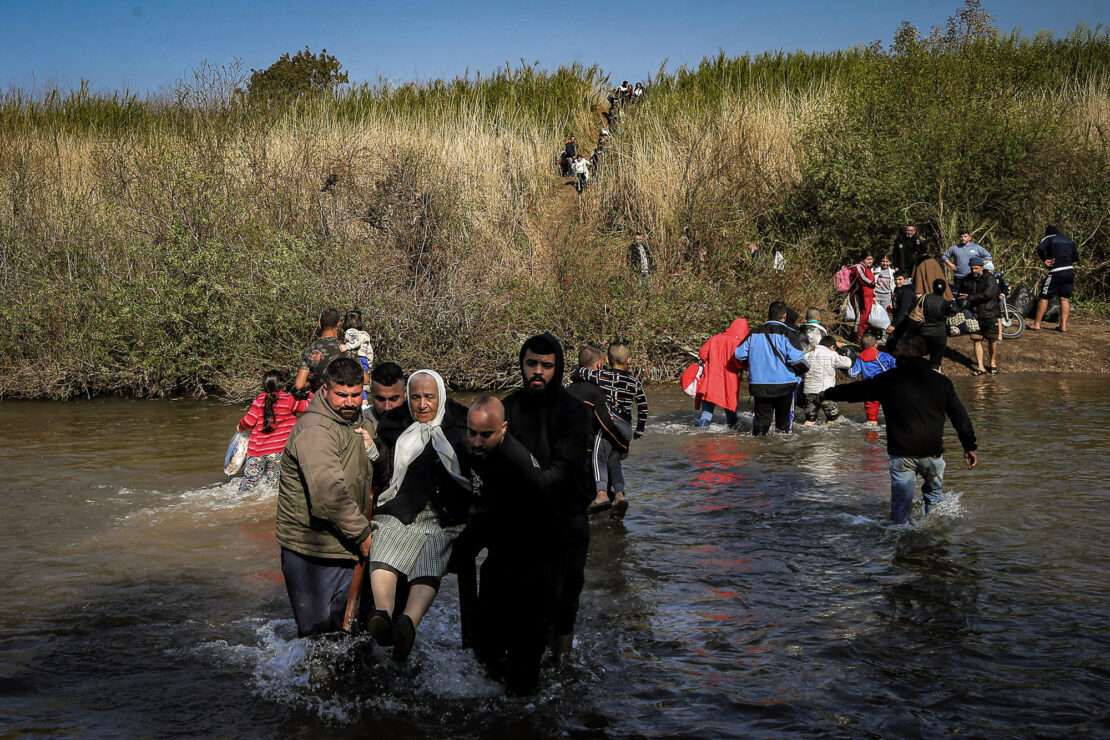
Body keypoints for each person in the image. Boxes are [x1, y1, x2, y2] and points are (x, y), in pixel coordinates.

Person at [363, 370, 472, 663]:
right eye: (416, 397)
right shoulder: (395, 424)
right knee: (385, 533)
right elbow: (385, 473)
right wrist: (373, 450)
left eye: (429, 397)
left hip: (444, 514)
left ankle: (407, 622)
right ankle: (383, 615)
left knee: (435, 546)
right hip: (402, 507)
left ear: (441, 397)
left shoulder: (461, 426)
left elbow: (477, 470)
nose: (422, 404)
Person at [822, 334, 978, 524]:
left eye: (897, 350)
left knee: (900, 511)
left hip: (902, 454)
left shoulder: (890, 380)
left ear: (909, 351)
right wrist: (969, 446)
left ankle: (900, 545)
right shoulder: (941, 382)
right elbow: (959, 416)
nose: (894, 354)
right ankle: (934, 543)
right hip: (933, 454)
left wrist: (827, 394)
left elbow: (856, 391)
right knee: (934, 505)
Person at [502, 333, 593, 659]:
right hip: (521, 519)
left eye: (546, 365)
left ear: (558, 367)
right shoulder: (508, 408)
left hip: (566, 515)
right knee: (520, 598)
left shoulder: (574, 412)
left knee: (567, 595)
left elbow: (565, 470)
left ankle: (562, 662)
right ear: (522, 365)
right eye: (531, 364)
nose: (538, 371)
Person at [464, 395, 563, 695]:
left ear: (504, 428)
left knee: (522, 670)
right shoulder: (492, 455)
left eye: (485, 435)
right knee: (487, 652)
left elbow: (487, 521)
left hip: (536, 570)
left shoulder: (513, 464)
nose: (477, 442)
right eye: (472, 433)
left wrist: (459, 548)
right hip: (506, 559)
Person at [276, 357, 375, 637]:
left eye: (356, 395)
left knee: (353, 636)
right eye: (341, 395)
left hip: (347, 543)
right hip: (311, 551)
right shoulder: (315, 430)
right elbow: (327, 495)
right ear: (324, 389)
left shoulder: (363, 420)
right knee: (317, 640)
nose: (350, 402)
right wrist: (365, 537)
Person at [570, 342, 648, 519]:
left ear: (606, 360)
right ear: (630, 360)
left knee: (599, 456)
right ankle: (620, 495)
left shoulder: (603, 377)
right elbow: (643, 405)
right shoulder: (635, 382)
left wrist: (576, 373)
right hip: (626, 426)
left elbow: (582, 372)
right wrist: (639, 429)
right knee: (614, 459)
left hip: (610, 424)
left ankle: (602, 495)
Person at [733, 301, 809, 436]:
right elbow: (797, 360)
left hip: (759, 384)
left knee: (761, 425)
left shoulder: (754, 333)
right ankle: (780, 455)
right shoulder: (788, 333)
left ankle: (761, 453)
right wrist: (806, 367)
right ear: (784, 316)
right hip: (784, 385)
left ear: (768, 314)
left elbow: (739, 354)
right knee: (783, 427)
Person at [237, 370, 310, 492]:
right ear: (283, 385)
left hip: (256, 452)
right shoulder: (289, 400)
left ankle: (241, 503)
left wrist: (239, 427)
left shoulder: (259, 401)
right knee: (274, 486)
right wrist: (310, 390)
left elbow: (248, 421)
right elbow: (309, 405)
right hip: (279, 452)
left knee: (249, 483)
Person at [695, 317, 750, 427]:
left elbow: (702, 354)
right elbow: (739, 364)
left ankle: (701, 434)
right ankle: (733, 436)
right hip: (729, 382)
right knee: (731, 411)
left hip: (710, 379)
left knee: (706, 414)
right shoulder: (738, 344)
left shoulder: (715, 338)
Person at [956, 256, 1000, 375]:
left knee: (992, 340)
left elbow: (988, 294)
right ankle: (980, 366)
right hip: (974, 314)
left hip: (989, 313)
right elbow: (960, 292)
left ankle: (992, 362)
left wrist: (969, 297)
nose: (973, 270)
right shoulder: (967, 279)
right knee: (976, 340)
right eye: (972, 268)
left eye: (976, 268)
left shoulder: (990, 278)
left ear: (982, 267)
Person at [1030, 225, 1079, 332]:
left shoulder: (1049, 238)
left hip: (1057, 271)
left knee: (1044, 296)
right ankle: (1063, 326)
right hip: (1070, 271)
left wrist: (1045, 259)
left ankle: (1036, 324)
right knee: (1064, 299)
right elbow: (1076, 257)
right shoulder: (1069, 241)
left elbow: (1040, 248)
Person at [800, 336, 851, 425]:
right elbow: (848, 363)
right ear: (832, 347)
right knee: (832, 420)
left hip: (809, 392)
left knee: (809, 420)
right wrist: (844, 349)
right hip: (826, 393)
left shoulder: (807, 355)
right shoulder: (832, 355)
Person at [293, 308, 346, 393]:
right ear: (338, 324)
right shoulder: (346, 349)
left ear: (319, 324)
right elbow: (365, 379)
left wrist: (312, 383)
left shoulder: (310, 350)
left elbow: (299, 385)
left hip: (320, 400)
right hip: (344, 399)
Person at [849, 334, 896, 427]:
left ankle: (871, 439)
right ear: (876, 345)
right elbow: (897, 368)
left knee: (871, 423)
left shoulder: (860, 359)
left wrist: (845, 367)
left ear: (861, 347)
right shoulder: (885, 356)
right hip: (887, 389)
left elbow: (853, 374)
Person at [364, 361, 406, 431]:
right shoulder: (359, 424)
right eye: (380, 399)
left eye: (393, 399)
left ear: (405, 393)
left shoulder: (418, 422)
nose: (387, 407)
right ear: (372, 392)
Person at [848, 251, 877, 344]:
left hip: (867, 296)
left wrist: (873, 295)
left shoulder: (868, 268)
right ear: (863, 259)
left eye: (871, 259)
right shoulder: (858, 267)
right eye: (868, 259)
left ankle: (863, 335)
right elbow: (863, 278)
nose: (870, 261)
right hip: (858, 295)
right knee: (860, 315)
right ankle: (858, 337)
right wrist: (873, 283)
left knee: (865, 315)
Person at [338, 309, 374, 382]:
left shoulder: (350, 331)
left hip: (357, 360)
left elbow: (356, 341)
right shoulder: (364, 335)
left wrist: (346, 346)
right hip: (365, 361)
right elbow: (370, 352)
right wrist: (369, 364)